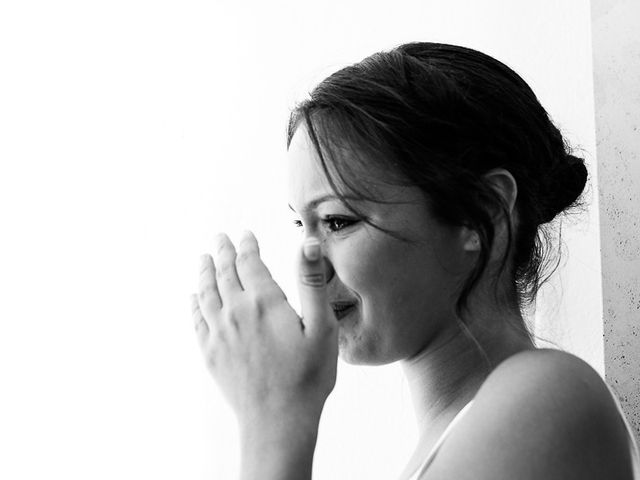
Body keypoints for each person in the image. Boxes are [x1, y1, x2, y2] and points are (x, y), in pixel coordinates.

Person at [190, 42, 640, 479]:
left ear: (481, 214)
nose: (310, 267)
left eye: (337, 221)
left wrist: (274, 419)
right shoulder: (474, 428)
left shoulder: (545, 399)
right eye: (300, 226)